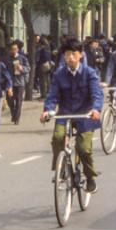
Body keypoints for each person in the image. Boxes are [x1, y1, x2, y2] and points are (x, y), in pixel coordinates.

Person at [40, 38, 103, 193]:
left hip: (86, 115)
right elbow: (52, 95)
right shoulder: (59, 74)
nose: (71, 58)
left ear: (80, 55)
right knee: (58, 138)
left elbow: (97, 94)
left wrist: (95, 110)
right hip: (65, 113)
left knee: (83, 148)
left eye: (74, 54)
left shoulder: (89, 73)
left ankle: (90, 177)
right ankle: (60, 167)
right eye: (67, 54)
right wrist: (47, 110)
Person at [6, 41, 29, 125]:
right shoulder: (7, 58)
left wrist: (21, 68)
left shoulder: (23, 58)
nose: (13, 51)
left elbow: (28, 68)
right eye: (12, 49)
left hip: (20, 82)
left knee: (19, 101)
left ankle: (17, 118)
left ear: (18, 49)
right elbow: (5, 70)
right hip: (10, 83)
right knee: (10, 100)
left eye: (15, 49)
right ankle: (13, 113)